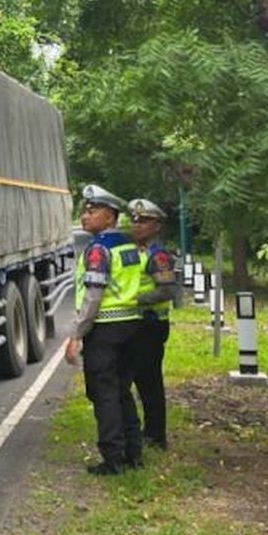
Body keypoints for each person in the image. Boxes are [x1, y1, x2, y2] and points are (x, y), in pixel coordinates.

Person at [64, 184, 145, 475]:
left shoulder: (98, 250)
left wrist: (76, 334)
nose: (85, 215)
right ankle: (133, 453)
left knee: (104, 393)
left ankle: (112, 458)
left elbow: (93, 295)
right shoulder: (126, 243)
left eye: (92, 210)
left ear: (110, 216)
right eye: (85, 210)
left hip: (105, 330)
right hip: (131, 326)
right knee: (123, 391)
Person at [128, 198, 177, 450]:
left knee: (149, 382)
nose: (137, 225)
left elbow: (167, 290)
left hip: (151, 324)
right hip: (137, 325)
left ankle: (156, 436)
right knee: (138, 379)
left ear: (157, 225)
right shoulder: (135, 252)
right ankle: (147, 431)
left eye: (144, 220)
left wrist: (134, 300)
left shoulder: (158, 255)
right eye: (134, 220)